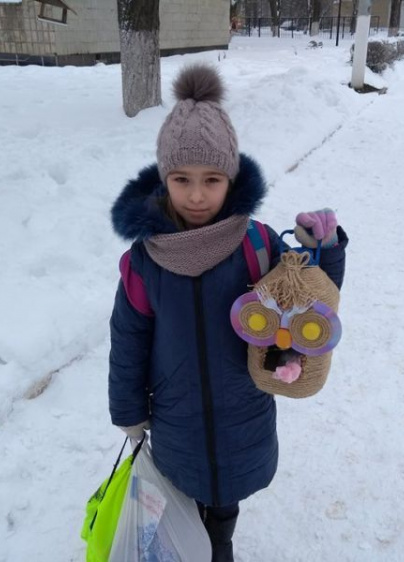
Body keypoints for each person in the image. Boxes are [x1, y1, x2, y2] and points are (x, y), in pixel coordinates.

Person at [107, 64, 348, 562]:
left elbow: (309, 309)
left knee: (223, 509)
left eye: (212, 179)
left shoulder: (257, 245)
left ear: (230, 177)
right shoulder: (145, 260)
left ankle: (221, 545)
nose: (197, 195)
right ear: (164, 178)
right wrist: (128, 409)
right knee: (183, 499)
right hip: (177, 417)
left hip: (244, 409)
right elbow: (128, 339)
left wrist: (322, 250)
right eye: (182, 179)